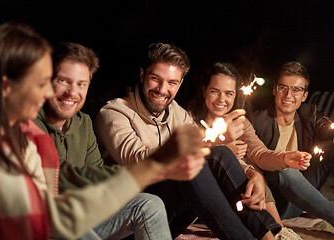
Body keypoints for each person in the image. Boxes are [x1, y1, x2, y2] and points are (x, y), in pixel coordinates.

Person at [0, 22, 208, 240]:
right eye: (45, 81)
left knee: (147, 203)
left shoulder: (38, 135)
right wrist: (155, 165)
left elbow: (77, 176)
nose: (48, 93)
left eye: (82, 84)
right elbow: (55, 219)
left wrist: (157, 167)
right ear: (6, 84)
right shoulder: (0, 144)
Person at [95, 42, 282, 239]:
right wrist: (213, 136)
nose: (162, 89)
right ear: (142, 76)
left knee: (218, 154)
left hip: (169, 215)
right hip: (132, 220)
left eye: (172, 83)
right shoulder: (114, 113)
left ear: (180, 83)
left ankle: (267, 237)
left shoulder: (177, 112)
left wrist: (252, 174)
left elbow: (217, 155)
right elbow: (137, 160)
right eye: (155, 79)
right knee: (200, 158)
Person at [33, 41, 207, 240]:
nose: (72, 92)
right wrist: (161, 163)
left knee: (149, 204)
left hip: (84, 215)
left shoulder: (83, 123)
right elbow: (54, 181)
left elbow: (98, 177)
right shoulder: (29, 122)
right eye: (63, 81)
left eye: (81, 84)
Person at [188, 62, 306, 239]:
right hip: (200, 197)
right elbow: (187, 158)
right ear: (204, 90)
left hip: (239, 197)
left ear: (235, 95)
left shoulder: (240, 122)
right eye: (215, 91)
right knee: (235, 162)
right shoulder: (188, 119)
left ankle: (277, 230)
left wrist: (285, 158)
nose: (222, 100)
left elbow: (259, 153)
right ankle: (273, 230)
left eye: (229, 93)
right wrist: (222, 144)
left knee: (254, 172)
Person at [247, 61, 334, 225]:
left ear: (304, 96)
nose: (288, 95)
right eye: (283, 88)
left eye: (296, 90)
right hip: (275, 199)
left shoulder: (310, 113)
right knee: (285, 169)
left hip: (305, 188)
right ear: (274, 89)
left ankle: (311, 204)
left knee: (331, 147)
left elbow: (326, 128)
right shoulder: (258, 120)